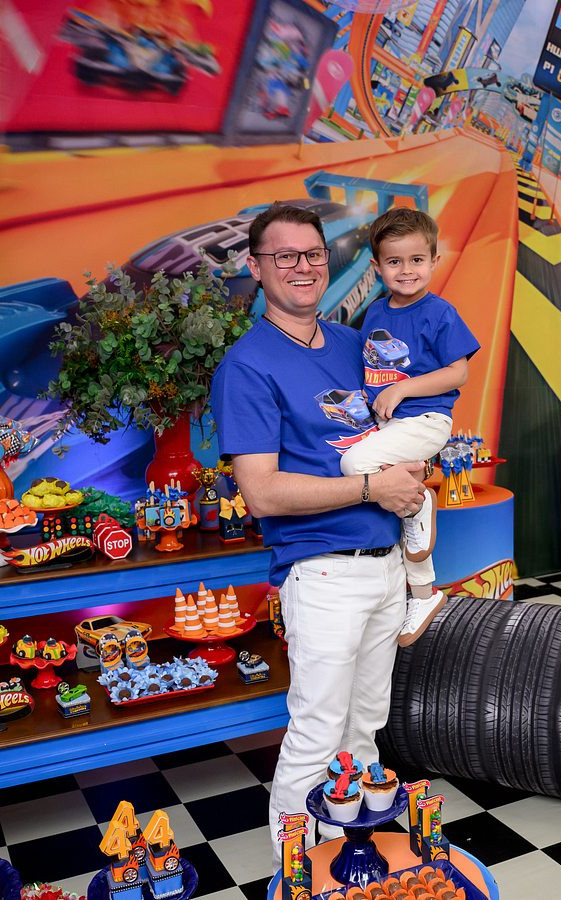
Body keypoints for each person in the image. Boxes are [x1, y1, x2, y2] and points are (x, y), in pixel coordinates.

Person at [209, 203, 429, 856]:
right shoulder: (247, 366)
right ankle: (296, 876)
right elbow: (260, 492)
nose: (302, 267)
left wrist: (411, 462)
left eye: (312, 253)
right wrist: (370, 488)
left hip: (388, 565)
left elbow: (393, 426)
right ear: (256, 268)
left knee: (364, 732)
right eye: (285, 256)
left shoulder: (353, 345)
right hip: (324, 573)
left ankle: (351, 862)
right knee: (316, 735)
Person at [340, 207, 480, 646]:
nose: (406, 270)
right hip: (390, 426)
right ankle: (423, 592)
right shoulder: (376, 312)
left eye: (417, 260)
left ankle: (418, 501)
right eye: (394, 261)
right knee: (395, 501)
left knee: (354, 466)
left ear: (434, 261)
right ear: (376, 267)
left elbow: (458, 373)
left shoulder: (439, 313)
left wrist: (402, 390)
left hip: (424, 420)